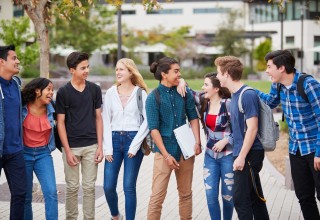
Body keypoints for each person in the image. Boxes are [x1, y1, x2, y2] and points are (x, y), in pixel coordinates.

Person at [256, 50, 320, 220]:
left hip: (315, 149)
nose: (267, 71)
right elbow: (270, 102)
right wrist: (247, 90)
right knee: (304, 197)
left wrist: (319, 153)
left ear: (282, 68)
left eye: (269, 67)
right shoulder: (277, 85)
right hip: (296, 150)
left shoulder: (308, 85)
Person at [146, 56, 201, 220]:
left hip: (186, 151)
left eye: (179, 71)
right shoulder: (153, 97)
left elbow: (193, 117)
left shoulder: (184, 92)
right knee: (157, 197)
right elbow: (153, 129)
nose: (179, 74)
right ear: (164, 74)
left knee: (186, 194)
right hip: (164, 154)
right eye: (176, 71)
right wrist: (166, 155)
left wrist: (197, 141)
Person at [215, 56, 269, 220]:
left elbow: (252, 128)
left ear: (227, 73)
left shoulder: (247, 95)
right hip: (244, 152)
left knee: (240, 199)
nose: (217, 76)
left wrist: (242, 157)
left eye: (218, 72)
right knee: (255, 197)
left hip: (250, 154)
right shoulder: (235, 95)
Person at [56, 52, 103, 219]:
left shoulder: (94, 90)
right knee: (72, 187)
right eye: (83, 68)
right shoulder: (63, 92)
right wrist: (67, 151)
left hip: (91, 146)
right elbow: (60, 123)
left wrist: (100, 147)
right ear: (72, 70)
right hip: (72, 147)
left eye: (88, 67)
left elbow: (98, 118)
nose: (87, 70)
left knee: (90, 187)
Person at [102, 58, 149, 220]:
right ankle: (115, 216)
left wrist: (135, 145)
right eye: (116, 69)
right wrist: (107, 148)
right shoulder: (110, 92)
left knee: (128, 187)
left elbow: (147, 121)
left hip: (133, 140)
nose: (118, 72)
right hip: (113, 141)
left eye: (121, 69)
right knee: (108, 186)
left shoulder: (140, 93)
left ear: (130, 72)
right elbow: (105, 120)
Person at [185, 73, 234, 220]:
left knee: (228, 196)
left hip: (228, 156)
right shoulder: (203, 102)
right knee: (210, 195)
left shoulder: (228, 104)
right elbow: (189, 91)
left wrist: (226, 140)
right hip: (210, 157)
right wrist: (181, 82)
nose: (203, 87)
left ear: (217, 88)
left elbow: (241, 129)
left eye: (206, 85)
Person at [21, 77, 58, 220]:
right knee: (25, 196)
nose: (51, 93)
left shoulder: (52, 108)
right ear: (37, 91)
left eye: (52, 90)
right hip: (24, 154)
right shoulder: (23, 107)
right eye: (48, 89)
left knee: (51, 192)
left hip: (43, 154)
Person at [0, 45, 27, 220]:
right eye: (14, 58)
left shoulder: (17, 84)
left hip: (15, 150)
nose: (18, 61)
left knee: (20, 194)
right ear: (2, 62)